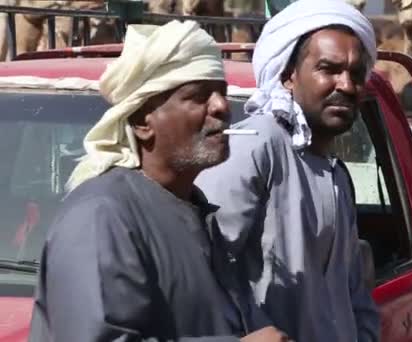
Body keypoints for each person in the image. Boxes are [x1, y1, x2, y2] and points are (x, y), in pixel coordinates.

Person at [28, 20, 287, 342]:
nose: (221, 107)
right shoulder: (103, 215)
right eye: (198, 96)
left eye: (221, 93)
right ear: (141, 122)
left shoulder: (195, 210)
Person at [195, 1, 380, 341]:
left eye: (355, 74)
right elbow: (205, 270)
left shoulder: (335, 173)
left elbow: (354, 294)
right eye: (329, 69)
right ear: (287, 74)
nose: (347, 85)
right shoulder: (256, 145)